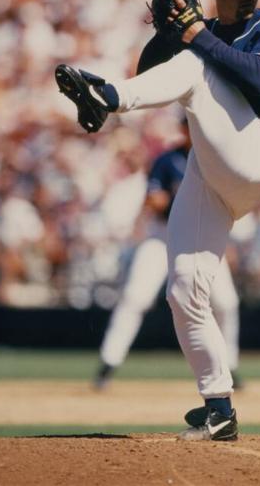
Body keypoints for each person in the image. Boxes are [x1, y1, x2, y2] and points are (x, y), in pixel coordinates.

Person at [56, 0, 260, 441]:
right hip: (209, 170)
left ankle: (107, 99)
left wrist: (194, 35)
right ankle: (219, 407)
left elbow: (257, 75)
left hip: (258, 156)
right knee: (184, 288)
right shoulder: (200, 34)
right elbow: (150, 65)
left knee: (197, 64)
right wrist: (166, 32)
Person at [94, 119, 242, 391]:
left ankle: (230, 366)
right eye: (191, 127)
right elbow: (155, 200)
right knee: (135, 298)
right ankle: (108, 364)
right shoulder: (168, 160)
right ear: (185, 130)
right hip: (164, 236)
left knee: (227, 302)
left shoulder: (217, 161)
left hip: (204, 237)